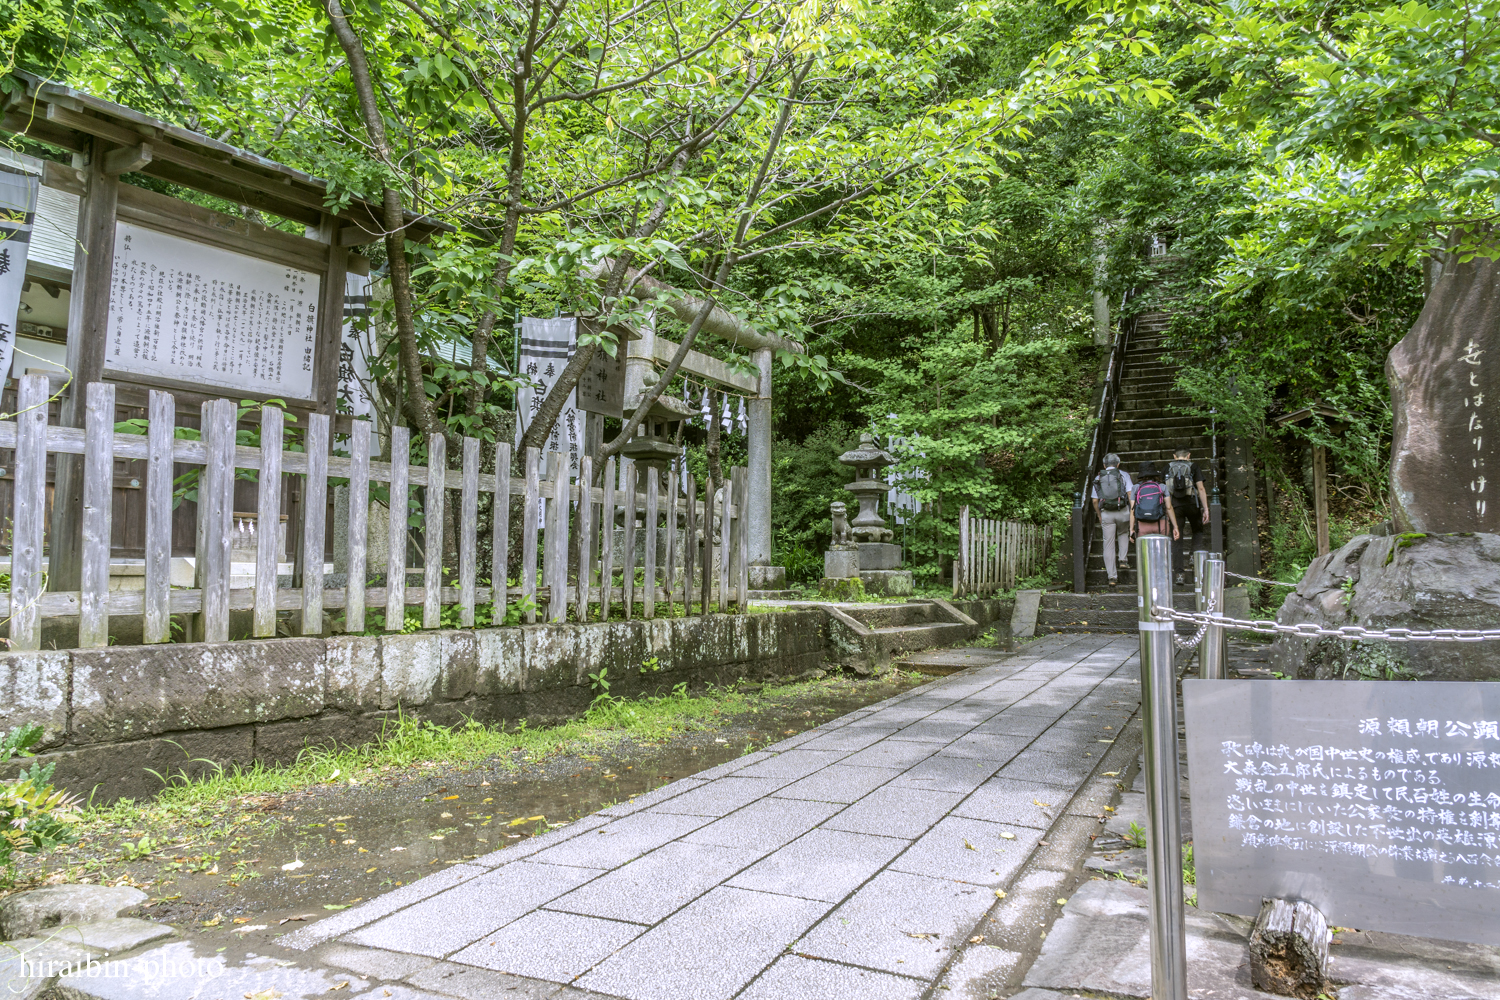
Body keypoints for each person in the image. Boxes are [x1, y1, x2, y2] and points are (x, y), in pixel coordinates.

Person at [1165, 448, 1209, 586]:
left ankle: (1179, 574)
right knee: (1198, 529)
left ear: (1174, 456)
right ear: (1189, 456)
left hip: (1175, 506)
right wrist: (1206, 508)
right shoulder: (1194, 466)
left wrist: (1166, 510)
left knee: (1177, 538)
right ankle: (1193, 556)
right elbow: (1201, 488)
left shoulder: (1167, 467)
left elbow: (1164, 489)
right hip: (1192, 504)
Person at [1091, 453, 1134, 588]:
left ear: (1104, 465)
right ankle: (1123, 559)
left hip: (1107, 514)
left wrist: (1099, 514)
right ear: (1118, 464)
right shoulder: (1124, 475)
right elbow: (1129, 493)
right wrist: (1132, 510)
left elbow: (1094, 500)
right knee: (1123, 533)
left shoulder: (1099, 477)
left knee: (1108, 544)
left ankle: (1112, 577)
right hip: (1123, 512)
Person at [1130, 463, 1180, 564]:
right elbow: (1169, 507)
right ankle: (1161, 577)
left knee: (1144, 556)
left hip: (1142, 526)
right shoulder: (1162, 487)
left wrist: (1131, 529)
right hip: (1161, 524)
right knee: (1162, 554)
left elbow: (1132, 509)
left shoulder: (1136, 488)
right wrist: (1175, 527)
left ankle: (1146, 578)